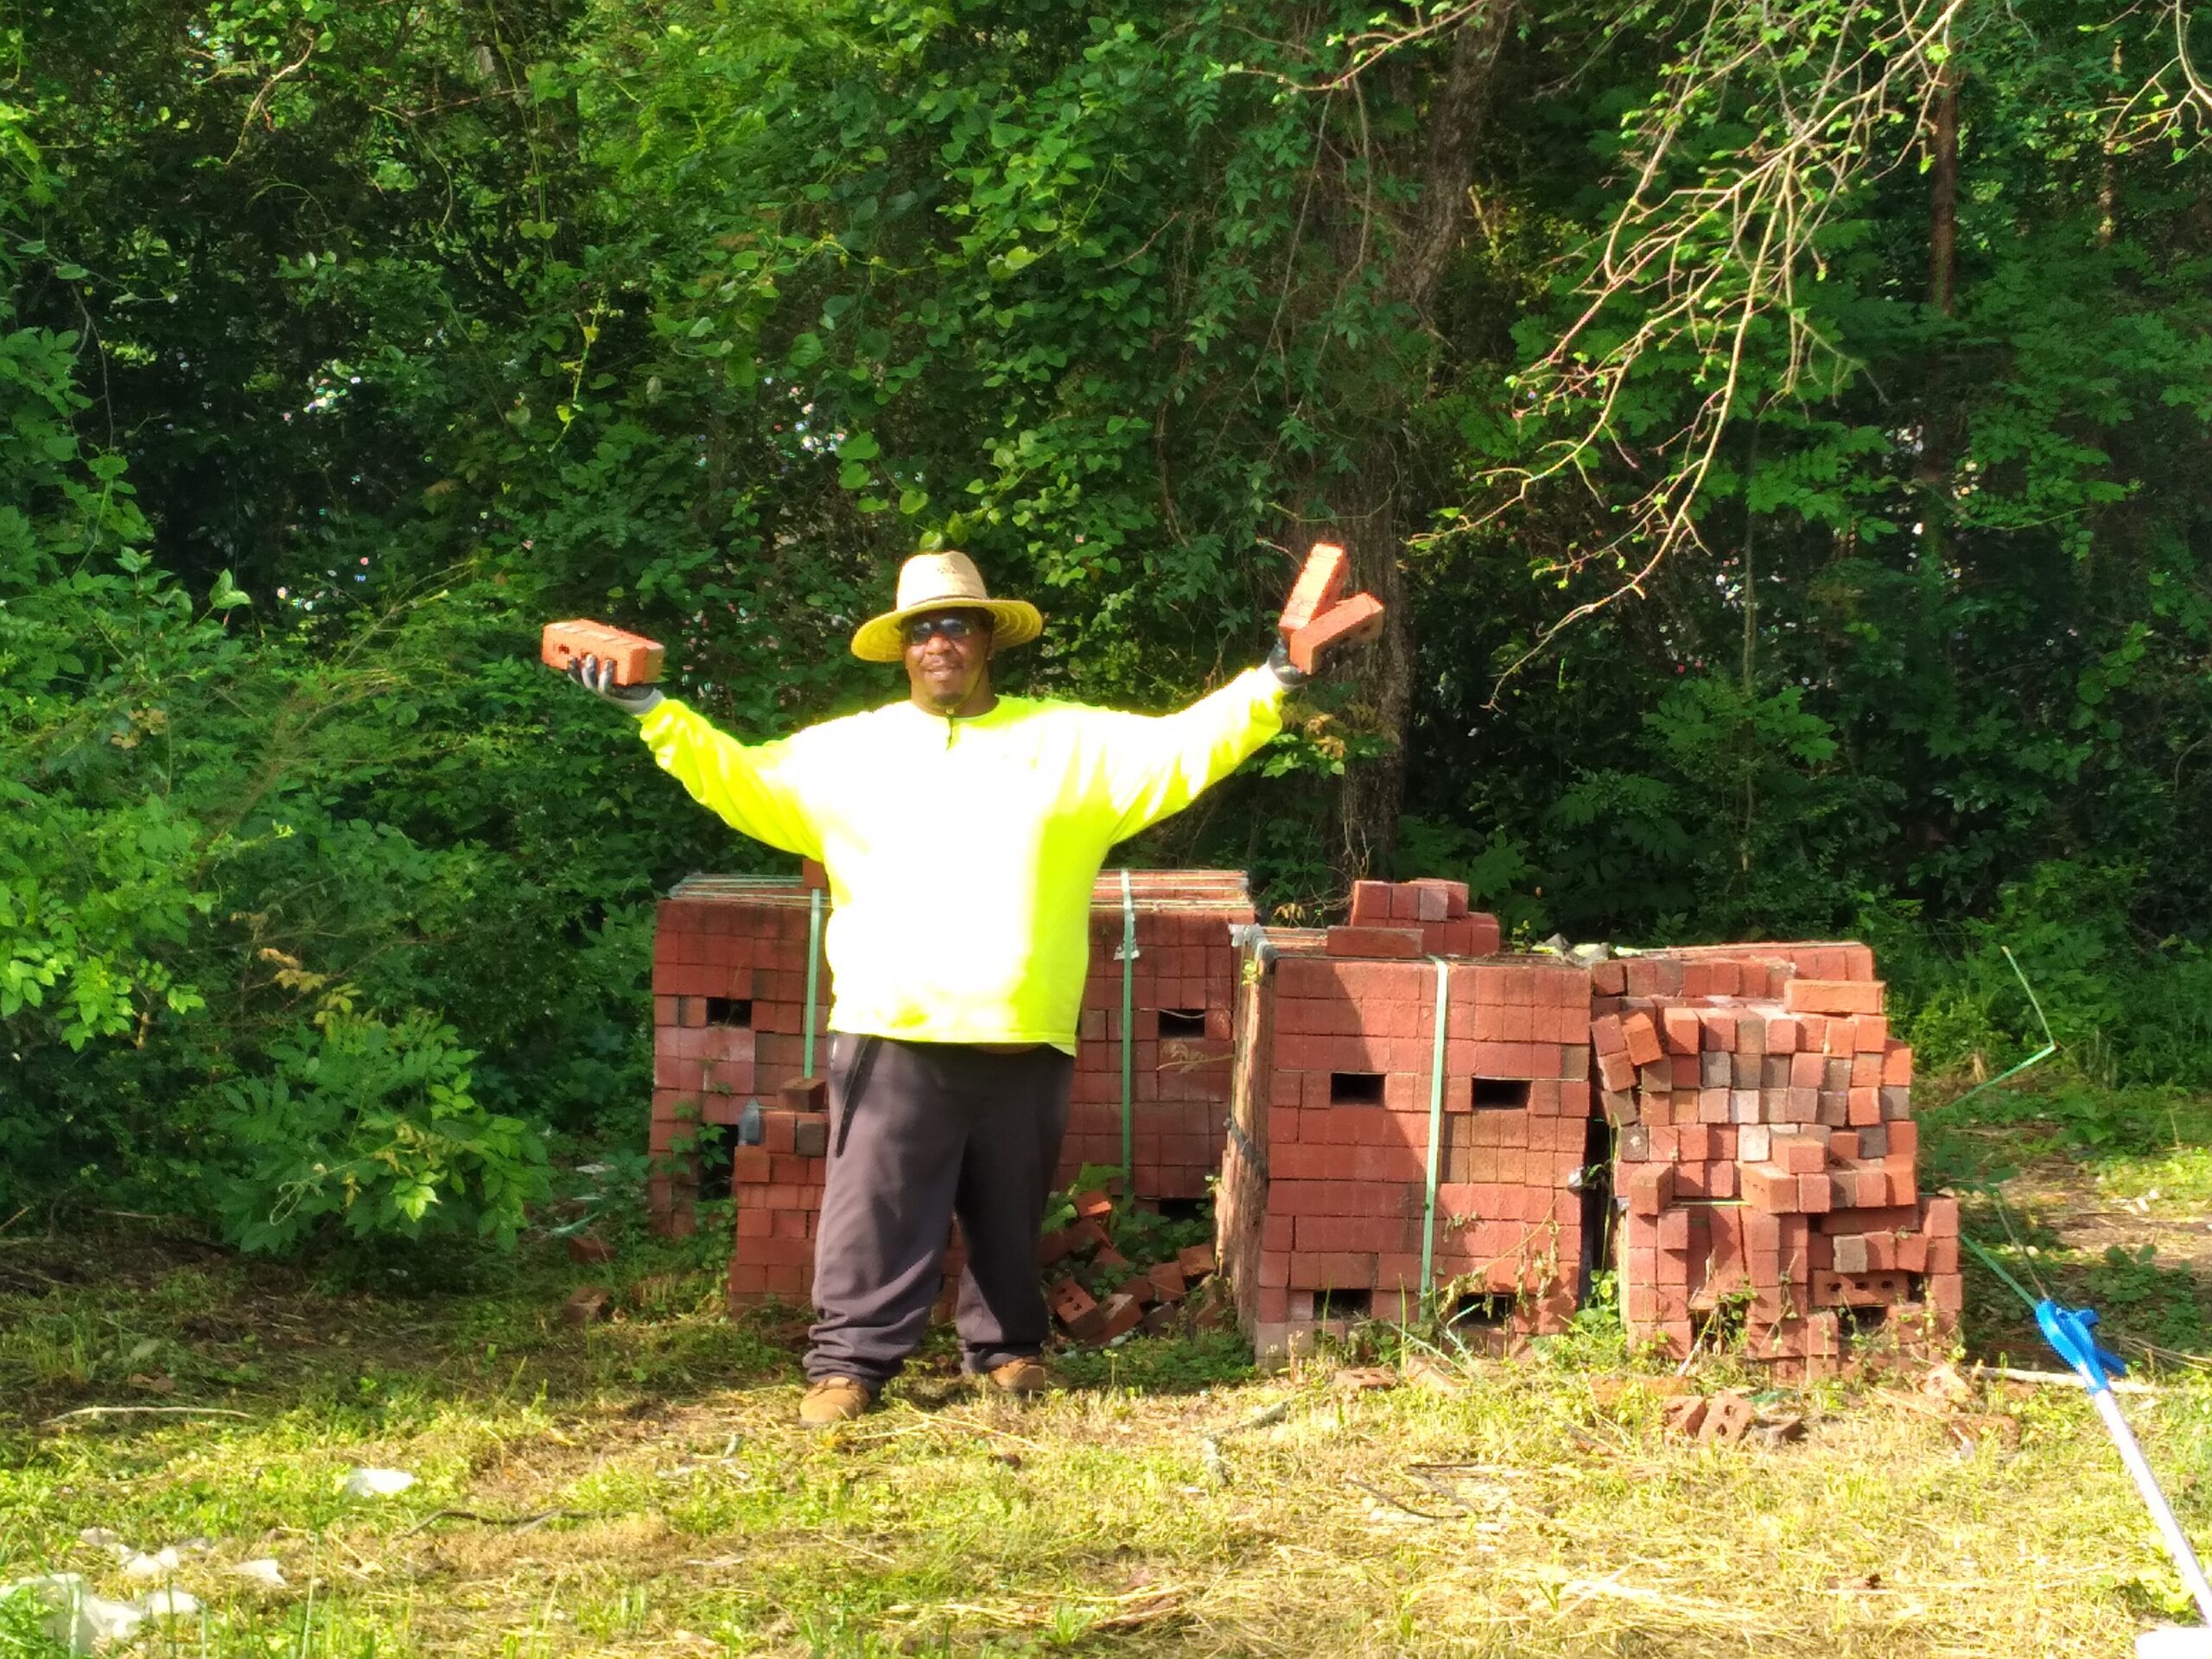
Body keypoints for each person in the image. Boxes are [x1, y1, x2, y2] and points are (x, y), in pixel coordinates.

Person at [569, 550, 1354, 1426]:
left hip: (1027, 1029)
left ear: (988, 638)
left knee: (1008, 1212)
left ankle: (1008, 1351)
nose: (939, 640)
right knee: (876, 1212)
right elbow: (736, 776)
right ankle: (848, 1367)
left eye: (956, 623)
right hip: (894, 1026)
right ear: (902, 648)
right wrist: (649, 709)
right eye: (922, 629)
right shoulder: (845, 753)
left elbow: (1185, 744)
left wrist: (1277, 674)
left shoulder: (1069, 744)